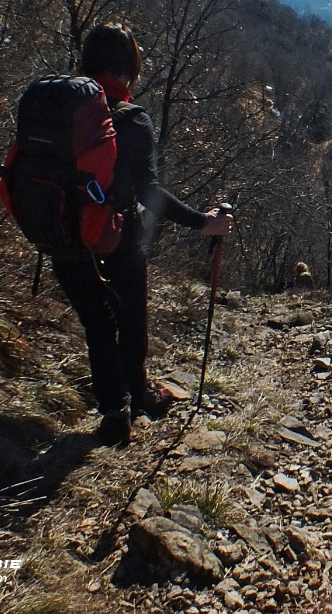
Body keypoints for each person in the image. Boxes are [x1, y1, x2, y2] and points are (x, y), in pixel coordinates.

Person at [53, 23, 232, 446]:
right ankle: (138, 395)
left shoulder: (60, 105)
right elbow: (149, 192)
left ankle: (114, 406)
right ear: (129, 69)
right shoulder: (129, 119)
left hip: (59, 229)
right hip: (114, 235)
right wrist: (203, 222)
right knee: (129, 314)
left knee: (97, 319)